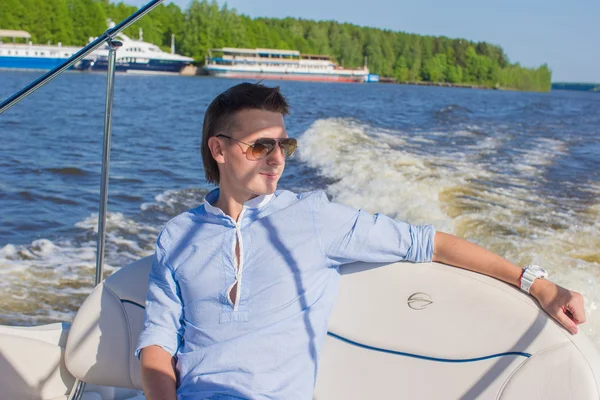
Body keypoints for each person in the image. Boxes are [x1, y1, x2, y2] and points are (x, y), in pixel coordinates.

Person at [136, 82, 586, 400]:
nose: (276, 160)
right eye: (260, 147)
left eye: (284, 146)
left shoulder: (314, 217)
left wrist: (537, 283)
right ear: (218, 149)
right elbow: (158, 343)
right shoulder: (177, 236)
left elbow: (427, 243)